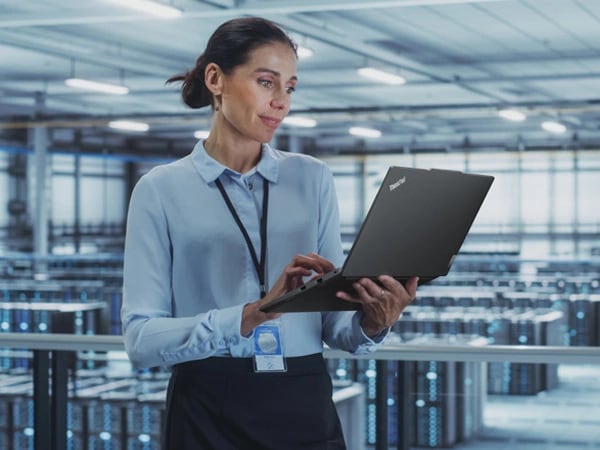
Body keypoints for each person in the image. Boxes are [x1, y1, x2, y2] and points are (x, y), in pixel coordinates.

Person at [121, 16, 418, 450]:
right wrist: (248, 316)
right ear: (215, 79)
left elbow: (336, 325)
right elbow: (141, 340)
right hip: (206, 404)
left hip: (302, 398)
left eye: (290, 87)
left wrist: (372, 323)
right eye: (266, 82)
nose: (281, 101)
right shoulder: (160, 189)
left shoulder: (312, 179)